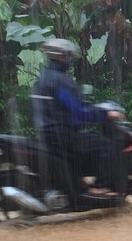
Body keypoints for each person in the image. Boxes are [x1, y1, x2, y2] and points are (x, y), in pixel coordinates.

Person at [31, 38, 123, 196]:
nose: (69, 60)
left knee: (84, 143)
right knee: (103, 143)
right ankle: (101, 186)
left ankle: (78, 183)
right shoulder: (61, 81)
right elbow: (79, 110)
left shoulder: (43, 78)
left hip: (46, 132)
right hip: (61, 134)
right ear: (60, 57)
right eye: (68, 56)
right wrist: (105, 113)